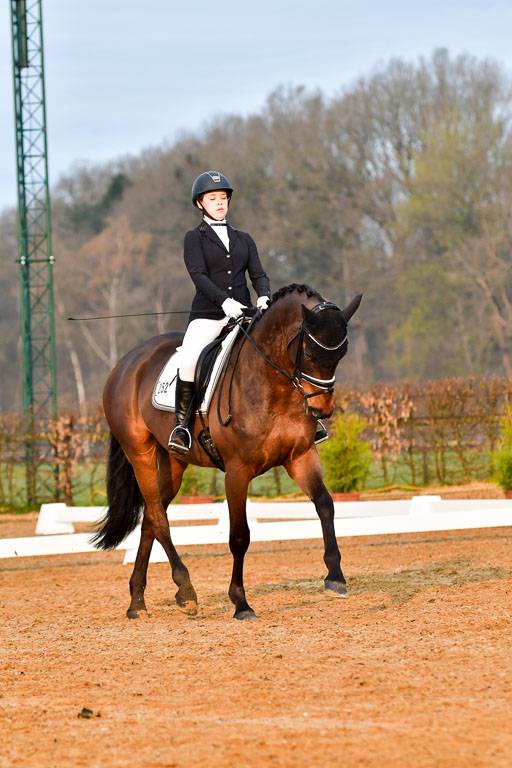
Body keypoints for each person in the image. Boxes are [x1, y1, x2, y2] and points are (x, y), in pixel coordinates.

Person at [168, 171, 271, 454]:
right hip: (209, 315)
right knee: (189, 361)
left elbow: (258, 274)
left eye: (223, 198)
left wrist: (264, 295)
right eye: (212, 198)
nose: (219, 202)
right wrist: (224, 301)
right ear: (200, 204)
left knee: (278, 350)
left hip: (245, 314)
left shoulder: (244, 239)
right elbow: (198, 275)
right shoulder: (194, 238)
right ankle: (181, 427)